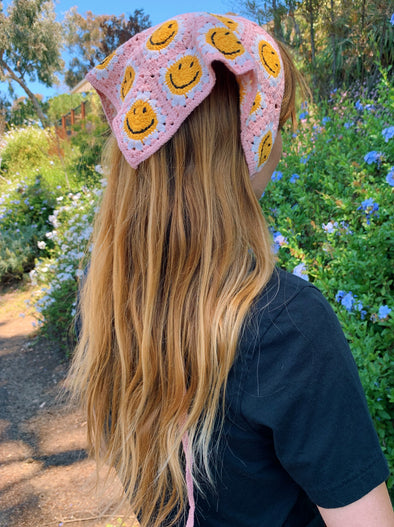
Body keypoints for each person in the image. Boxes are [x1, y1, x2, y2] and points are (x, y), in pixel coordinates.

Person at [67, 12, 393, 527]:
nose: (282, 147)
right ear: (250, 144)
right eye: (279, 126)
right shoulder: (286, 324)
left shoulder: (102, 306)